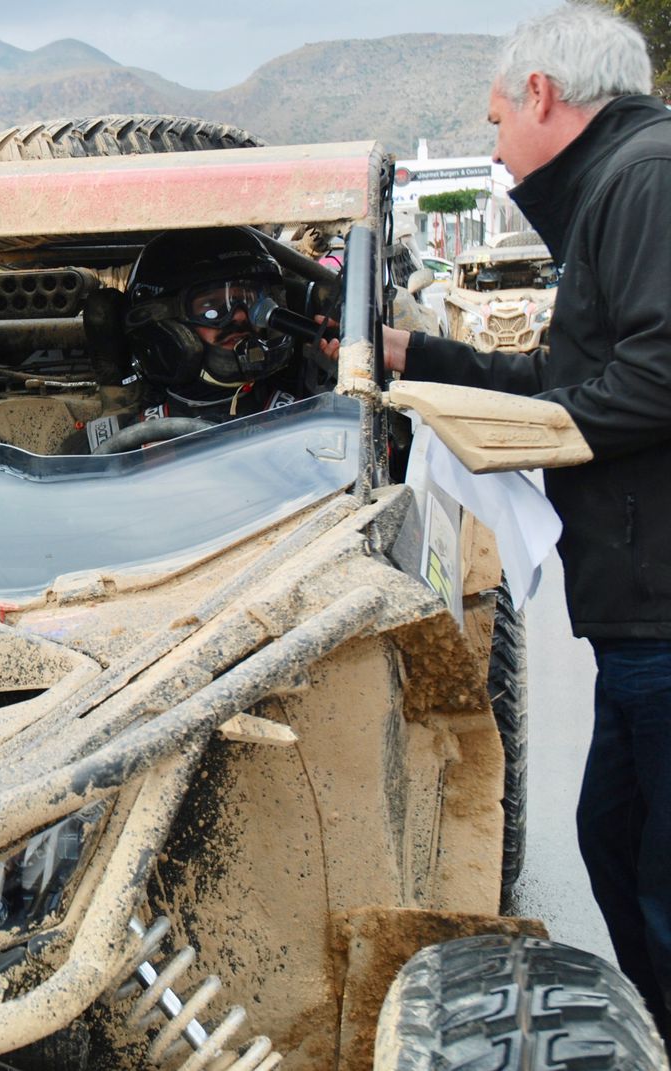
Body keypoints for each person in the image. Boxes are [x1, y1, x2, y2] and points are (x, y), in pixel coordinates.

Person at [330, 8, 671, 1036]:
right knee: (614, 840)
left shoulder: (646, 179)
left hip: (661, 609)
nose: (495, 149)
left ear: (541, 95)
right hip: (636, 613)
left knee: (654, 868)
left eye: (495, 120)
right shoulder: (621, 183)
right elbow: (566, 374)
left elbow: (657, 378)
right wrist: (416, 359)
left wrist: (511, 438)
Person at [124, 226, 308, 423]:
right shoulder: (127, 436)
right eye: (211, 305)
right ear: (166, 323)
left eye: (248, 300)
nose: (240, 316)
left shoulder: (308, 414)